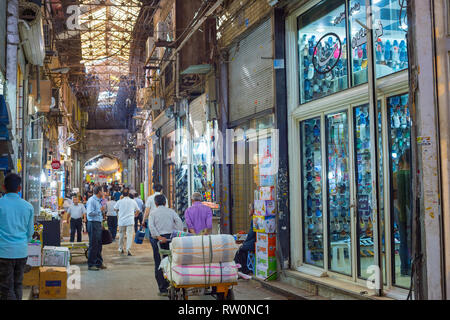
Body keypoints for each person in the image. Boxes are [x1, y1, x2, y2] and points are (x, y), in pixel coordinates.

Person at [0, 174, 34, 300]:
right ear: (19, 188)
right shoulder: (28, 206)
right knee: (18, 285)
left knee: (6, 288)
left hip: (3, 252)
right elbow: (30, 232)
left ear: (4, 187)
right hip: (21, 252)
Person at [148, 195, 183, 296]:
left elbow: (151, 226)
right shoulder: (171, 211)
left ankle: (163, 289)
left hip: (159, 240)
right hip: (170, 239)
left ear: (155, 203)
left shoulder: (153, 213)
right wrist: (176, 233)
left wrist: (158, 237)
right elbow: (179, 222)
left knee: (159, 263)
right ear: (165, 203)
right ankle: (172, 284)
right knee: (172, 261)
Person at [86, 186, 107, 271]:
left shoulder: (98, 201)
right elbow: (90, 213)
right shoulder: (92, 201)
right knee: (93, 244)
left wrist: (101, 223)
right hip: (93, 224)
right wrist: (100, 210)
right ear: (99, 192)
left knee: (99, 244)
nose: (104, 192)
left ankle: (98, 263)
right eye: (102, 191)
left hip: (97, 223)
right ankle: (91, 264)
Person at [114, 190, 140, 256]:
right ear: (128, 194)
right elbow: (138, 210)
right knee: (129, 235)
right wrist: (135, 215)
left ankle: (120, 248)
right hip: (130, 221)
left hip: (121, 221)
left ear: (122, 194)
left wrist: (119, 211)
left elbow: (115, 208)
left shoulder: (119, 201)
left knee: (121, 235)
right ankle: (128, 249)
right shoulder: (132, 201)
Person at [234, 203, 257, 275]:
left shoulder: (254, 220)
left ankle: (243, 270)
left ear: (253, 210)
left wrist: (243, 243)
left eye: (250, 208)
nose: (248, 210)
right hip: (254, 241)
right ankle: (244, 269)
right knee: (242, 249)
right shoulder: (255, 219)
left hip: (254, 242)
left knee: (239, 250)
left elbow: (251, 234)